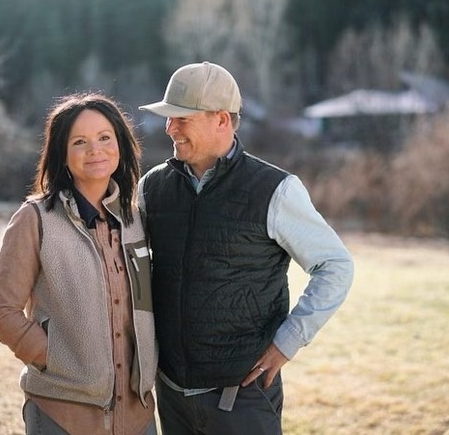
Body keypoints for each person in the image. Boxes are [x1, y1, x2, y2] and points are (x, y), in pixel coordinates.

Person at [137, 61, 354, 434]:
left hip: (242, 397)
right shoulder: (152, 186)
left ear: (221, 120)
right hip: (170, 391)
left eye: (181, 118)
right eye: (168, 118)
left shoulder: (275, 190)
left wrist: (287, 343)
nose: (169, 127)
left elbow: (335, 265)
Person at [0, 93, 157, 435]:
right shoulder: (34, 219)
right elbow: (2, 312)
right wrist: (54, 360)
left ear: (120, 146)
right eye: (79, 142)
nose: (95, 150)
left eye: (104, 138)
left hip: (137, 414)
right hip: (62, 415)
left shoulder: (136, 218)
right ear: (62, 155)